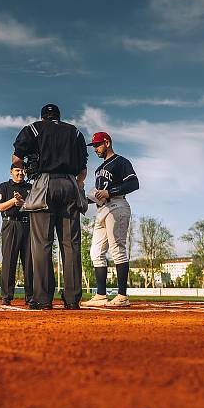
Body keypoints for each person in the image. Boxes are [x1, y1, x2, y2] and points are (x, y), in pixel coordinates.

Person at [12, 104, 88, 310]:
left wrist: (26, 170)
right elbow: (83, 169)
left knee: (42, 243)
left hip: (44, 183)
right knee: (71, 244)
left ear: (43, 117)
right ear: (58, 117)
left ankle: (43, 299)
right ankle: (72, 300)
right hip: (70, 183)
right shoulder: (75, 131)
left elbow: (16, 159)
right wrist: (77, 185)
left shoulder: (34, 128)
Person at [81, 131, 139, 308]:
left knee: (117, 249)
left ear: (107, 142)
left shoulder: (121, 161)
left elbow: (134, 183)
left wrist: (110, 192)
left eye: (98, 145)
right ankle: (100, 295)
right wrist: (82, 198)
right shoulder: (99, 169)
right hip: (102, 209)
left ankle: (122, 295)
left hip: (118, 205)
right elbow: (100, 195)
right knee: (96, 252)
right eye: (94, 146)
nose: (96, 149)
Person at [0, 165, 33, 306]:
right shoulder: (4, 186)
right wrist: (13, 201)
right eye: (17, 170)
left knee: (29, 262)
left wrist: (23, 203)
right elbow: (0, 207)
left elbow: (36, 206)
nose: (20, 173)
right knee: (9, 261)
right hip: (10, 225)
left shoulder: (31, 187)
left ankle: (30, 297)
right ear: (11, 171)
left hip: (28, 225)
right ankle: (6, 296)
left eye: (23, 170)